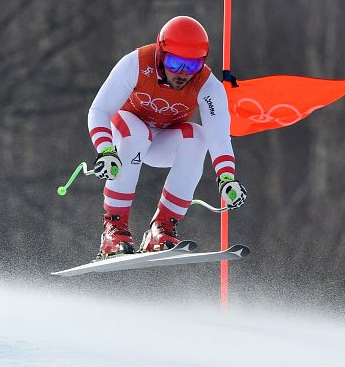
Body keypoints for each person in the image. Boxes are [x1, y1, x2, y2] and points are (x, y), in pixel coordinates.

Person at [87, 16, 247, 259]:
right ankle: (114, 229)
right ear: (161, 55)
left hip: (162, 141)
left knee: (198, 136)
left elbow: (219, 136)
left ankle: (161, 228)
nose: (182, 74)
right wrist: (106, 150)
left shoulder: (208, 85)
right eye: (174, 63)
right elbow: (99, 110)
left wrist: (226, 178)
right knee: (137, 133)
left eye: (191, 66)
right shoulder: (136, 63)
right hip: (127, 130)